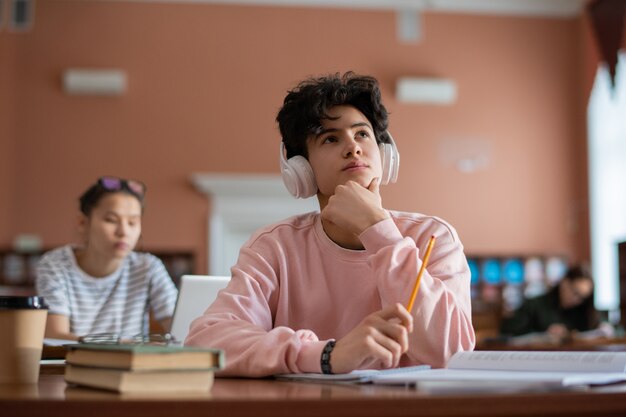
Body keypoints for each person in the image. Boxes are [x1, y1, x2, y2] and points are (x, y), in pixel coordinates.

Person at [185, 72, 475, 376]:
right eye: (331, 138)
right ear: (301, 169)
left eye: (362, 134)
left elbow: (452, 353)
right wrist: (326, 355)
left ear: (385, 154)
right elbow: (206, 343)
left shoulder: (432, 236)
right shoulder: (275, 247)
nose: (353, 147)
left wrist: (379, 231)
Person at [36, 176, 178, 341]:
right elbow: (56, 337)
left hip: (134, 364)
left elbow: (179, 326)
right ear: (83, 222)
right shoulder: (55, 265)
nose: (124, 232)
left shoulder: (148, 267)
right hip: (73, 364)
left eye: (132, 222)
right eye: (111, 220)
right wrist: (120, 346)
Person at [499, 264, 604, 342]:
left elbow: (599, 326)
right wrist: (543, 334)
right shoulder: (534, 304)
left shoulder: (582, 309)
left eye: (582, 298)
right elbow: (507, 332)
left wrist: (605, 328)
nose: (577, 300)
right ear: (564, 283)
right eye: (575, 292)